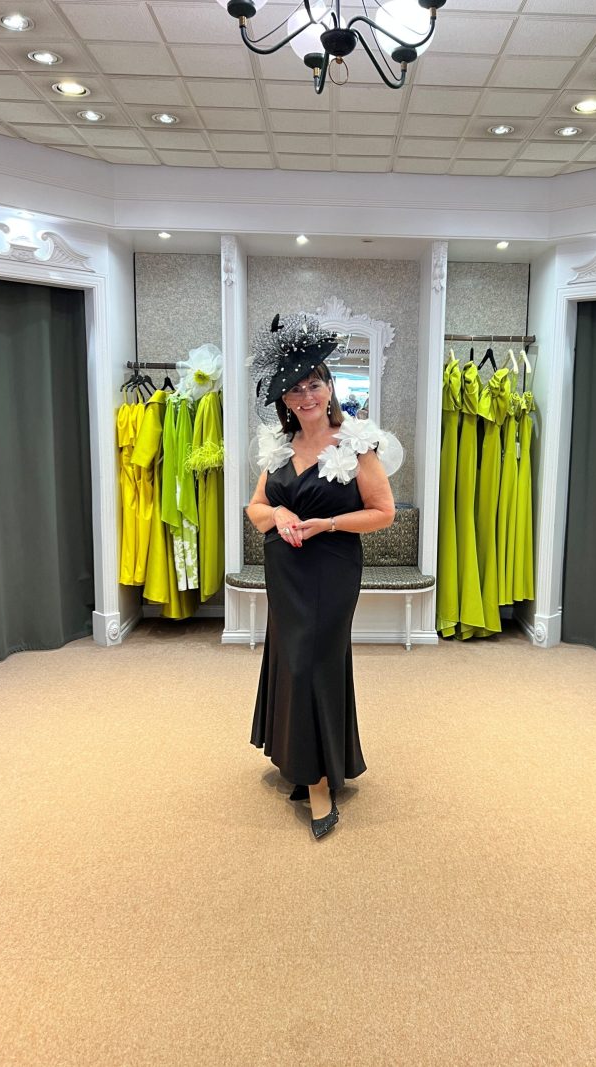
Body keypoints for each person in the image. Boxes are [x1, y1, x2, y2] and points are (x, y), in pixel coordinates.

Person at [246, 313, 396, 839]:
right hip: (285, 571)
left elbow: (383, 513)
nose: (305, 395)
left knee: (315, 663)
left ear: (329, 387)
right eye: (295, 389)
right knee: (292, 661)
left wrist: (326, 523)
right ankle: (302, 759)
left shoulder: (356, 445)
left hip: (331, 570)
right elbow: (255, 509)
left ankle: (318, 782)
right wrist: (279, 513)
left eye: (313, 384)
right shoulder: (278, 446)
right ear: (284, 399)